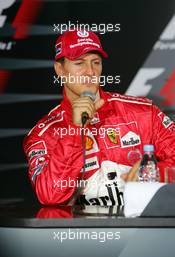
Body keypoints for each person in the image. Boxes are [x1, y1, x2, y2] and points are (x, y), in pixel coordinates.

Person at [23, 29, 175, 206]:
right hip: (82, 233)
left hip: (140, 229)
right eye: (79, 63)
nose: (90, 71)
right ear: (60, 70)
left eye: (96, 62)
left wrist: (155, 171)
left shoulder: (143, 112)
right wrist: (75, 129)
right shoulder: (42, 135)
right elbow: (50, 196)